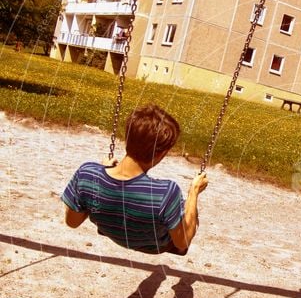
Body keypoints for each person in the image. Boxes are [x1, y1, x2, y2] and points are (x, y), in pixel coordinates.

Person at [62, 103, 208, 255]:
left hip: (111, 231)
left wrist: (103, 171)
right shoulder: (166, 193)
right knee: (188, 209)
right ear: (161, 154)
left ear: (128, 137)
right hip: (155, 245)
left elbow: (72, 222)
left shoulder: (86, 174)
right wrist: (194, 191)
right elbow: (182, 241)